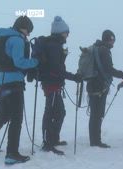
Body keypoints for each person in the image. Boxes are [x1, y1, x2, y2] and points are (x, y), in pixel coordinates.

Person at [0, 16, 39, 164]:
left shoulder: (5, 37)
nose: (28, 34)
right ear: (23, 27)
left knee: (2, 116)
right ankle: (12, 154)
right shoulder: (16, 40)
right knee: (16, 118)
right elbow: (19, 62)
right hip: (13, 83)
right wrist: (36, 62)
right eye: (28, 30)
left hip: (1, 82)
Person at [40, 16, 82, 155]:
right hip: (51, 84)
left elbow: (57, 67)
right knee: (51, 112)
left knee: (59, 112)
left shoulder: (56, 45)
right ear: (60, 32)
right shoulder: (54, 46)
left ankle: (53, 139)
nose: (68, 35)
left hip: (53, 84)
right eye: (66, 32)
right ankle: (48, 143)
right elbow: (56, 69)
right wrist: (73, 77)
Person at [87, 30, 123, 148]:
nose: (113, 44)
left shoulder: (96, 48)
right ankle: (96, 141)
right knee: (98, 114)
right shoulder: (104, 51)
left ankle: (94, 139)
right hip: (99, 86)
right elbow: (109, 69)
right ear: (109, 39)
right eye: (113, 41)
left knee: (94, 114)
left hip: (92, 85)